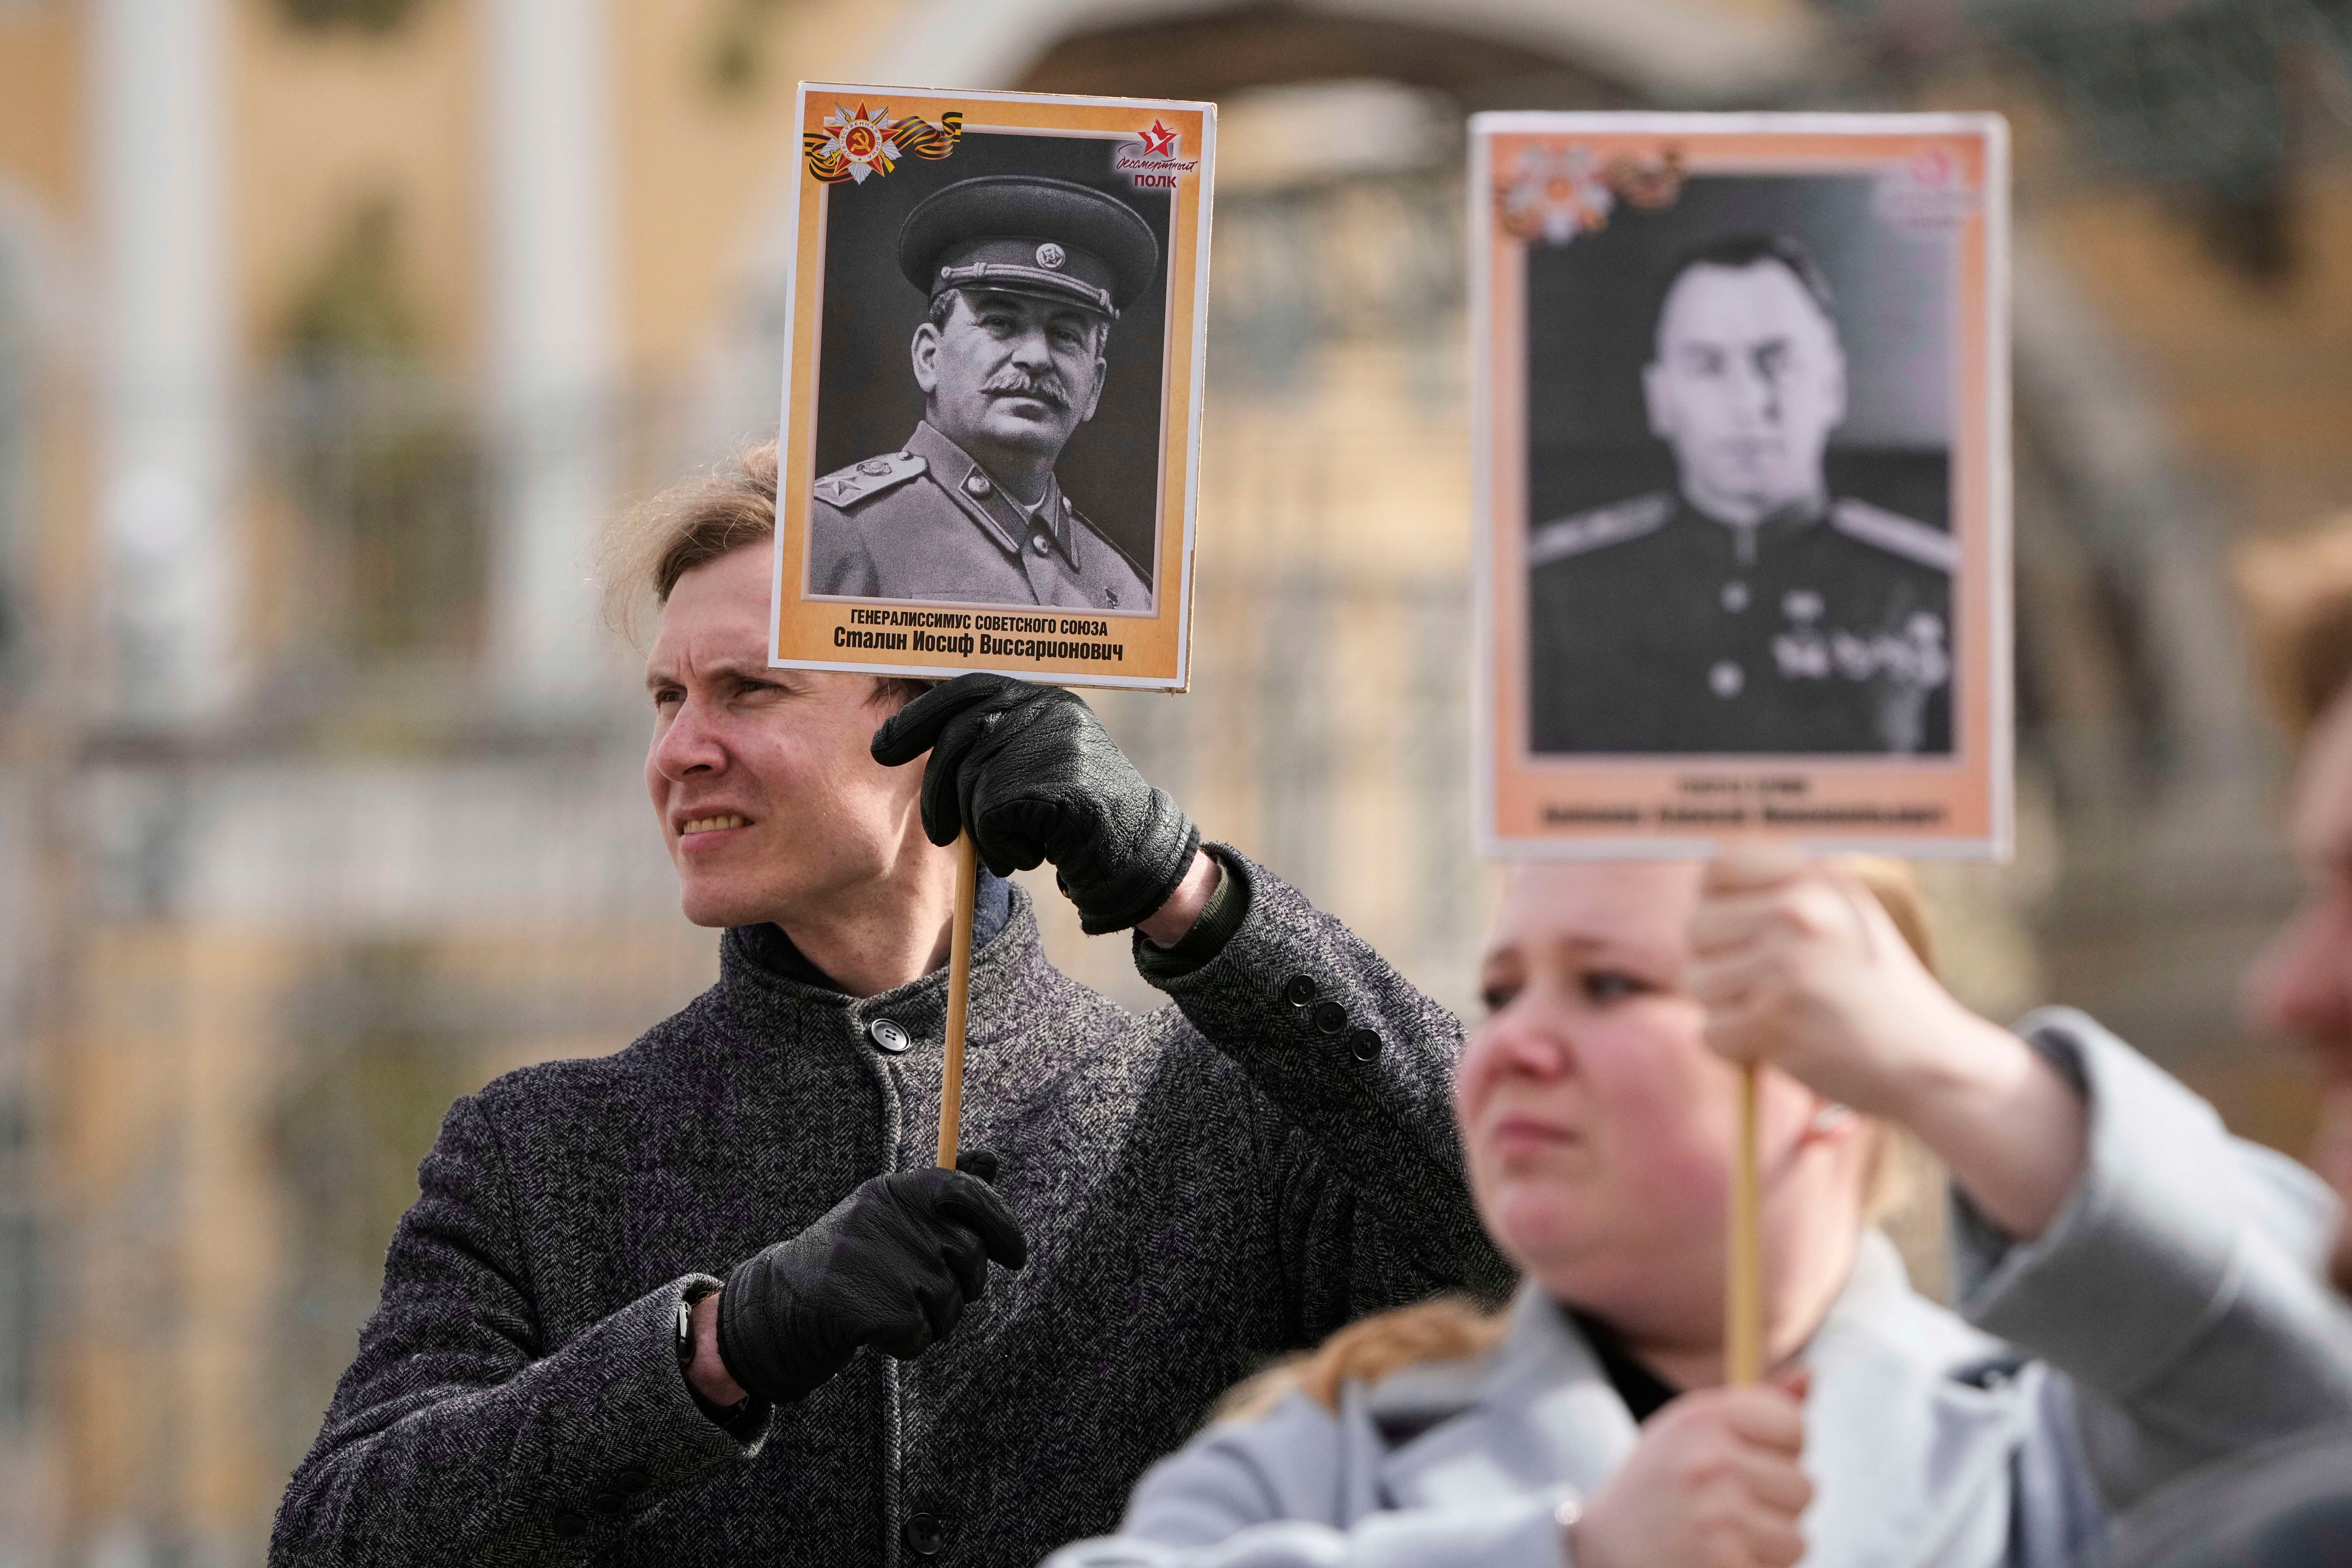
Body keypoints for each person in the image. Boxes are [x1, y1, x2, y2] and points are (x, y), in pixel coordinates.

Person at [267, 443, 1507, 1567]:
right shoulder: (541, 1156)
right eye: (666, 697)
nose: (679, 749)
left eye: (748, 689)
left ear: (937, 717)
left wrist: (1189, 893)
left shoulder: (1208, 1117)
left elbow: (1534, 1242)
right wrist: (720, 1347)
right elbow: (337, 1537)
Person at [1048, 849, 2352, 1568]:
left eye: (1609, 985)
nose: (1508, 1050)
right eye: (1504, 993)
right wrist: (1569, 1556)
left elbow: (2311, 1391)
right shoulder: (1330, 1448)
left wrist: (1964, 1072)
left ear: (1838, 1074)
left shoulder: (2049, 1452)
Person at [1528, 233, 1955, 756]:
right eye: (1707, 366)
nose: (1750, 403)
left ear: (1832, 387)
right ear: (1661, 399)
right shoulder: (1553, 594)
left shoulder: (1939, 590)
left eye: (1776, 362)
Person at [807, 173, 1157, 611]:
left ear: (1094, 389)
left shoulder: (1124, 590)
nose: (1036, 357)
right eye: (1000, 324)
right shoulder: (833, 531)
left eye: (1065, 335)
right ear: (929, 358)